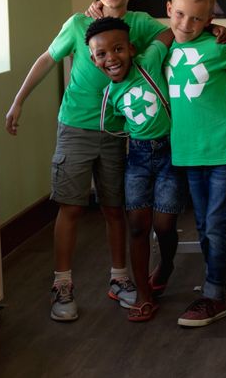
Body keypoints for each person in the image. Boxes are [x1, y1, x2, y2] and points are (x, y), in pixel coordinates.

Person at [5, 0, 163, 321]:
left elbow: (175, 32)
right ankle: (62, 283)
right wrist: (18, 100)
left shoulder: (140, 23)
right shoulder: (78, 24)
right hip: (75, 127)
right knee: (72, 206)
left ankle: (119, 278)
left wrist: (219, 30)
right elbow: (48, 58)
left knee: (113, 208)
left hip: (116, 131)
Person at [86, 17, 181, 322]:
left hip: (169, 153)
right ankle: (143, 293)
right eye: (101, 54)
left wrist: (213, 28)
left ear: (132, 48)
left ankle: (165, 265)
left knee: (164, 224)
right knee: (138, 225)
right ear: (93, 59)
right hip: (138, 158)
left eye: (118, 49)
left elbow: (169, 31)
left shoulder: (148, 60)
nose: (111, 58)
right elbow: (114, 125)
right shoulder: (109, 96)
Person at [166, 0, 226, 328]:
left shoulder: (218, 47)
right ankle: (215, 282)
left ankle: (215, 293)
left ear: (210, 20)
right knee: (203, 224)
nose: (186, 24)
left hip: (224, 150)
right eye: (180, 15)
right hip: (187, 152)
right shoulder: (162, 48)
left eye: (197, 18)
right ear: (169, 9)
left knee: (216, 223)